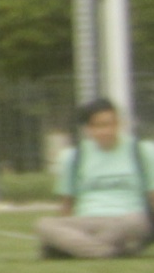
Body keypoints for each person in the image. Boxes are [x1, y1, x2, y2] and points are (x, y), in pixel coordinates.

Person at [37, 98, 149, 258]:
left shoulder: (141, 151)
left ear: (119, 123)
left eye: (110, 124)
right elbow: (67, 205)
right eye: (98, 126)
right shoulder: (74, 157)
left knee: (137, 221)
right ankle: (109, 252)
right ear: (88, 129)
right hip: (88, 220)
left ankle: (76, 249)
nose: (106, 130)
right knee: (44, 225)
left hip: (127, 218)